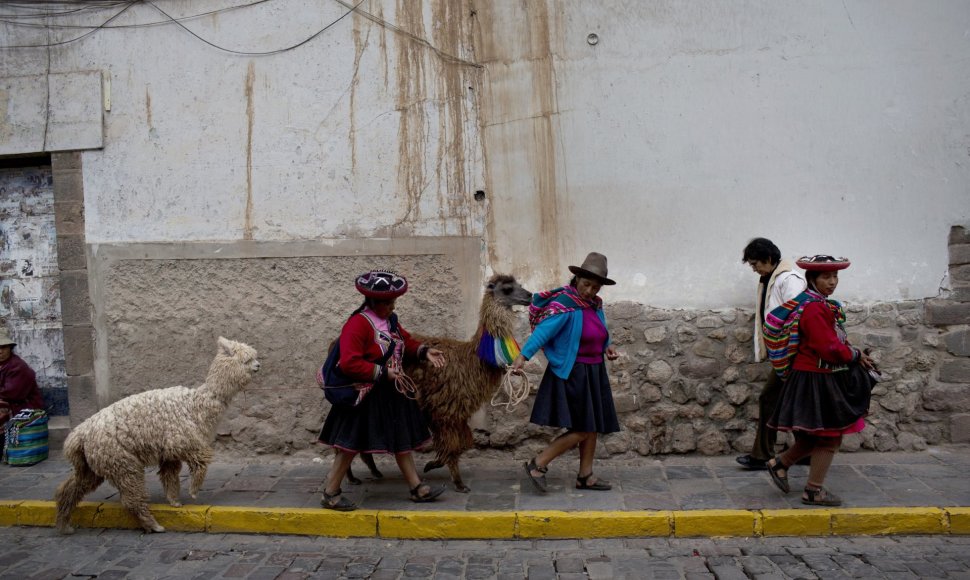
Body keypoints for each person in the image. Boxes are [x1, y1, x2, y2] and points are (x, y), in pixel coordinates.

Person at [318, 270, 448, 510]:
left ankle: (416, 487)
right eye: (387, 303)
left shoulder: (390, 321)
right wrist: (382, 372)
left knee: (402, 441)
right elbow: (349, 361)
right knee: (349, 445)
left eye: (393, 302)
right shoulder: (357, 324)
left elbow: (404, 341)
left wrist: (423, 351)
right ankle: (331, 491)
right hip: (365, 395)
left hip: (391, 393)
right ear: (373, 302)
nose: (391, 306)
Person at [765, 255, 875, 506]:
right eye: (826, 277)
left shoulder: (817, 304)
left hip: (817, 376)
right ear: (812, 279)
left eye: (835, 277)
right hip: (816, 379)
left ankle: (780, 464)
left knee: (817, 434)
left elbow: (831, 343)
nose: (832, 282)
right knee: (829, 436)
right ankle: (813, 491)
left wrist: (852, 354)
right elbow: (828, 347)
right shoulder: (814, 308)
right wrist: (854, 355)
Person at [511, 252, 621, 493]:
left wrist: (607, 346)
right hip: (573, 372)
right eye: (586, 284)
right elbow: (543, 332)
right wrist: (522, 357)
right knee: (582, 429)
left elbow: (600, 329)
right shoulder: (566, 306)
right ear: (576, 279)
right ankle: (537, 464)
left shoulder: (595, 305)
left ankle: (586, 475)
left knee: (592, 426)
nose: (590, 291)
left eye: (595, 287)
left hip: (594, 371)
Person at [735, 238, 807, 470]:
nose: (754, 268)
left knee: (770, 399)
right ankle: (806, 450)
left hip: (792, 354)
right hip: (784, 354)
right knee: (791, 401)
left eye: (755, 263)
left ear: (768, 259)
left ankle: (762, 455)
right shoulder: (770, 279)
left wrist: (788, 351)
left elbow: (797, 317)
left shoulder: (789, 280)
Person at [0, 331, 45, 452]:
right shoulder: (3, 365)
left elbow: (11, 393)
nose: (0, 351)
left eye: (3, 347)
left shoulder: (17, 366)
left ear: (10, 348)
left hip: (23, 407)